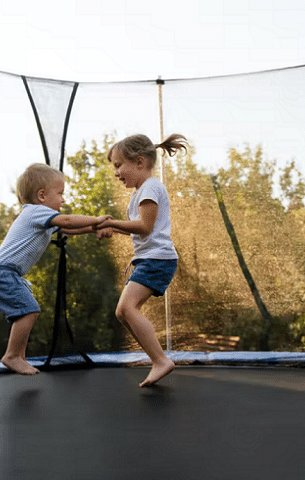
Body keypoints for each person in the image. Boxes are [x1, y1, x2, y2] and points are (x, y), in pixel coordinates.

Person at [0, 163, 112, 375]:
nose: (63, 199)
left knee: (26, 311)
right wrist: (97, 219)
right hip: (2, 274)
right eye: (60, 193)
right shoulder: (35, 212)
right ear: (41, 196)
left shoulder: (40, 217)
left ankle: (17, 356)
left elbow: (70, 227)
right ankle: (13, 355)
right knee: (29, 310)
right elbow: (68, 219)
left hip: (3, 274)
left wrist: (94, 228)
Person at [97, 133, 188, 387]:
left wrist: (112, 222)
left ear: (139, 162)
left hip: (158, 260)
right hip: (149, 259)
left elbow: (145, 227)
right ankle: (157, 359)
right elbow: (140, 229)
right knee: (122, 311)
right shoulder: (140, 192)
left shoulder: (151, 187)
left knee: (127, 309)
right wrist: (113, 228)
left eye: (118, 165)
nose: (116, 173)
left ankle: (160, 360)